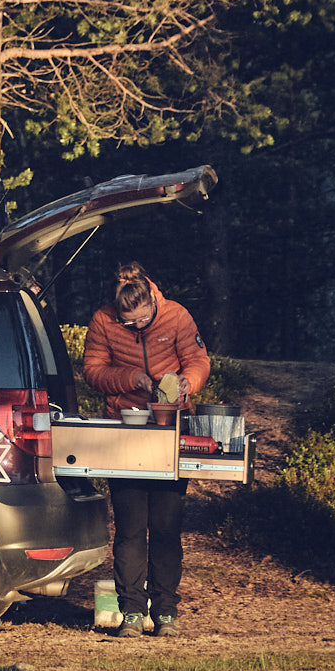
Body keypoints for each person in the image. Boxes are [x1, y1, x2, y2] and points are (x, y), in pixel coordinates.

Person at [82, 261, 210, 638]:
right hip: (124, 431)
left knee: (167, 528)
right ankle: (132, 612)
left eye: (143, 319)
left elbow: (199, 360)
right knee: (130, 529)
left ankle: (166, 612)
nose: (138, 326)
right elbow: (92, 370)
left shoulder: (177, 316)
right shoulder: (104, 321)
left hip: (171, 432)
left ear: (153, 301)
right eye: (130, 323)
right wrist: (129, 378)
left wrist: (188, 382)